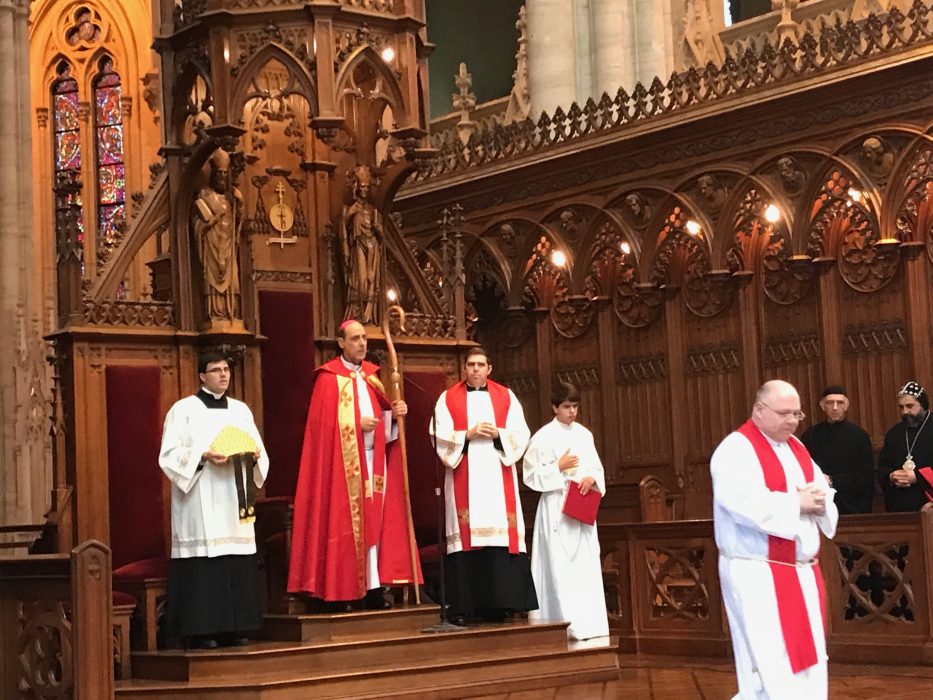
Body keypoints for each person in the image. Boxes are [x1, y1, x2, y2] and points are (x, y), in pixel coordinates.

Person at [711, 380, 838, 699]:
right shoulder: (736, 449)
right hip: (758, 572)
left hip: (801, 571)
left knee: (807, 661)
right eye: (784, 413)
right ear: (758, 410)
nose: (792, 421)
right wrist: (796, 503)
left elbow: (819, 489)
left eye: (797, 413)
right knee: (769, 663)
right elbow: (740, 502)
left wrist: (819, 498)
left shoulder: (798, 448)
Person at [288, 319, 421, 608]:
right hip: (342, 469)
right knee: (345, 525)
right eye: (355, 338)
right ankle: (342, 591)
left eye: (364, 339)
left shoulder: (373, 378)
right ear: (341, 343)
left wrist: (394, 415)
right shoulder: (327, 379)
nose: (362, 344)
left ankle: (372, 588)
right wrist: (354, 425)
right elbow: (320, 432)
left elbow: (386, 430)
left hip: (374, 463)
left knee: (374, 524)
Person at [159, 351, 269, 649]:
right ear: (202, 376)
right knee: (205, 562)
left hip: (234, 496)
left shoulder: (241, 410)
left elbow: (259, 451)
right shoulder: (182, 410)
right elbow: (168, 456)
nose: (224, 374)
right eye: (216, 370)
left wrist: (255, 456)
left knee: (235, 558)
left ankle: (236, 627)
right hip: (200, 498)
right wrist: (203, 455)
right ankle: (202, 629)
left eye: (226, 369)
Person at [430, 346, 538, 625]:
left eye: (481, 364)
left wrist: (498, 434)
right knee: (468, 540)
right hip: (465, 475)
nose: (475, 369)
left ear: (490, 369)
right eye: (471, 365)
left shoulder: (506, 396)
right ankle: (465, 606)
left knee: (500, 538)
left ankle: (503, 604)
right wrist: (466, 434)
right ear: (464, 369)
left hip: (497, 474)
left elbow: (521, 433)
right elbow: (438, 435)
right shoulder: (447, 398)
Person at [523, 382, 608, 640]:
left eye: (575, 406)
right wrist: (557, 467)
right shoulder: (542, 437)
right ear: (554, 407)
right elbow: (529, 475)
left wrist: (591, 478)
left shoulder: (584, 435)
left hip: (579, 508)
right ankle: (560, 623)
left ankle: (589, 623)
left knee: (584, 566)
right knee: (558, 566)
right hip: (555, 508)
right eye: (567, 407)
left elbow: (596, 468)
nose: (572, 412)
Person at [800, 385, 875, 514]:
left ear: (846, 405)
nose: (835, 408)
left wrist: (832, 480)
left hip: (852, 506)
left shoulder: (859, 436)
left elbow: (865, 475)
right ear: (822, 405)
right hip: (819, 504)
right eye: (830, 403)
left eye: (840, 403)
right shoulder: (810, 436)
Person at [192, 148, 243, 325]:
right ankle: (213, 314)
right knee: (210, 280)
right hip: (211, 248)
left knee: (233, 282)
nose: (221, 177)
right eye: (218, 173)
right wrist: (210, 222)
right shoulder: (204, 195)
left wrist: (240, 203)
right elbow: (197, 225)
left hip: (227, 250)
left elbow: (238, 224)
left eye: (224, 173)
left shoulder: (230, 200)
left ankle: (230, 313)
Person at [878, 381, 933, 512]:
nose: (905, 412)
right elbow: (882, 468)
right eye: (901, 407)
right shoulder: (893, 434)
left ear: (923, 405)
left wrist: (918, 477)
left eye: (910, 406)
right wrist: (892, 476)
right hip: (900, 508)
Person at [340, 165, 383, 325]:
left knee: (372, 280)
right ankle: (357, 316)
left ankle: (369, 316)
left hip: (372, 246)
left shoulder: (373, 210)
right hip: (358, 245)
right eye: (362, 186)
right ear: (356, 187)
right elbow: (343, 232)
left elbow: (382, 234)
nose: (365, 190)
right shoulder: (350, 209)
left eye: (367, 187)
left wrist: (378, 229)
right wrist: (349, 216)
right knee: (360, 281)